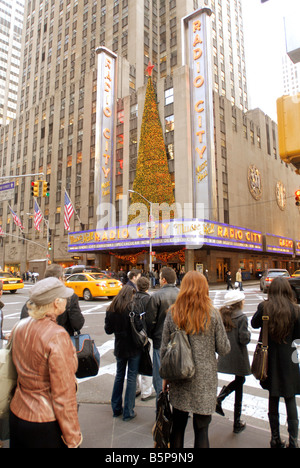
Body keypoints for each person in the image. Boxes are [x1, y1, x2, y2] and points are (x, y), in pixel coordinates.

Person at [9, 277, 82, 448]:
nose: (67, 300)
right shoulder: (57, 335)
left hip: (17, 413)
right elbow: (64, 394)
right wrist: (73, 438)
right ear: (56, 303)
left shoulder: (19, 326)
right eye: (64, 297)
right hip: (44, 423)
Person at [161, 271, 230, 448]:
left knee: (178, 427)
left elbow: (164, 351)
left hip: (179, 376)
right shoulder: (213, 314)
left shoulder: (173, 313)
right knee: (202, 430)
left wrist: (165, 379)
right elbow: (224, 348)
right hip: (205, 380)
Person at [251, 277, 300, 449]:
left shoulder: (265, 307)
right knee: (290, 398)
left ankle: (275, 439)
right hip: (289, 358)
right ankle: (293, 441)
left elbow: (254, 323)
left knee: (273, 395)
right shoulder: (295, 310)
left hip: (269, 358)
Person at [104, 285, 143, 421]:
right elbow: (139, 327)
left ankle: (116, 409)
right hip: (133, 346)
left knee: (119, 376)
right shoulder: (132, 308)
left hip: (120, 346)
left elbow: (108, 330)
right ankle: (128, 411)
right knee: (132, 377)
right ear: (130, 295)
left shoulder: (111, 309)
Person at [216, 290, 251, 434]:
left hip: (226, 355)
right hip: (238, 356)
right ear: (239, 303)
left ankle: (221, 397)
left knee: (240, 382)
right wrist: (247, 333)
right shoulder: (241, 318)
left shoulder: (223, 315)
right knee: (240, 382)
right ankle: (236, 421)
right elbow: (244, 339)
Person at [21, 263, 85, 336]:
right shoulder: (70, 297)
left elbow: (24, 323)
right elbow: (77, 324)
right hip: (62, 340)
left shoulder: (36, 295)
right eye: (64, 278)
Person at [146, 267, 179, 401]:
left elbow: (150, 321)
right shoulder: (182, 294)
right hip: (179, 340)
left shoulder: (156, 296)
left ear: (164, 280)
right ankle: (180, 407)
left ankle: (161, 410)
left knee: (159, 375)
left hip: (160, 341)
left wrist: (152, 335)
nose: (159, 280)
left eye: (160, 277)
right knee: (179, 371)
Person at [134, 276, 155, 401]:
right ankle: (146, 392)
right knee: (147, 362)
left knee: (135, 362)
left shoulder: (133, 297)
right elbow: (152, 318)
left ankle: (136, 388)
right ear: (148, 286)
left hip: (134, 334)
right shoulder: (149, 299)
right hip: (145, 334)